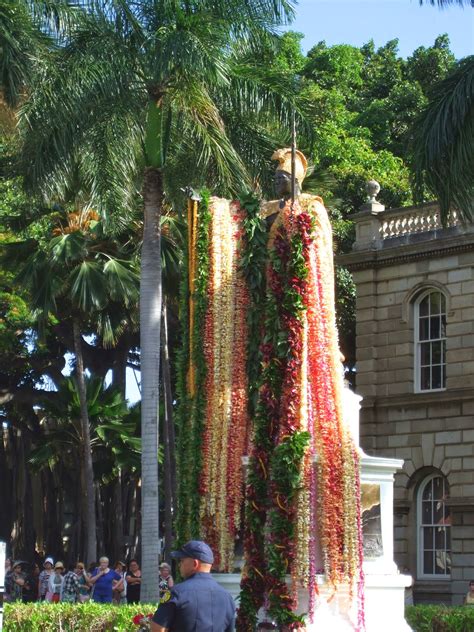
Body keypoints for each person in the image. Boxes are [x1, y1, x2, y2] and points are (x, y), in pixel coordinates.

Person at [151, 540, 235, 632]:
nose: (179, 564)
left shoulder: (176, 593)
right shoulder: (227, 597)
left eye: (182, 561)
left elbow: (157, 629)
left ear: (195, 564)